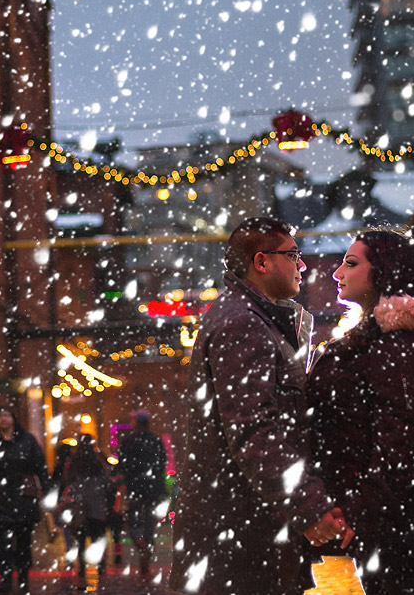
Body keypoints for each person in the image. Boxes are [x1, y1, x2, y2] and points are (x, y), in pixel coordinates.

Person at [169, 217, 350, 595]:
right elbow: (254, 430)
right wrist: (307, 504)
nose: (302, 266)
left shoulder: (254, 319)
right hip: (241, 538)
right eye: (293, 255)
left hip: (243, 531)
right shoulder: (242, 324)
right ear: (262, 262)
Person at [306, 229, 414, 595]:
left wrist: (358, 510)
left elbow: (402, 442)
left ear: (384, 271)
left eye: (351, 263)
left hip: (408, 529)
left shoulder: (402, 342)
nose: (336, 274)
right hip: (396, 526)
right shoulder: (379, 338)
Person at [0, 405, 49, 593]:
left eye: (7, 415)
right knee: (3, 541)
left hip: (24, 496)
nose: (3, 419)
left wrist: (47, 489)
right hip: (0, 497)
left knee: (24, 540)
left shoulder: (27, 440)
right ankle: (5, 576)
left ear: (13, 418)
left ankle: (23, 576)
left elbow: (40, 467)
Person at [118, 409, 167, 575]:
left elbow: (122, 465)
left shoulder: (128, 441)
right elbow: (162, 463)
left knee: (133, 523)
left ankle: (141, 544)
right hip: (152, 488)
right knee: (149, 522)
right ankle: (147, 548)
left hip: (135, 487)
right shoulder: (156, 440)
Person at [60, 434, 116, 578]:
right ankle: (101, 565)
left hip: (80, 503)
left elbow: (68, 479)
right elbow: (106, 480)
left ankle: (82, 568)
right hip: (96, 502)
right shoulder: (98, 460)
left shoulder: (75, 461)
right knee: (98, 536)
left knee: (81, 537)